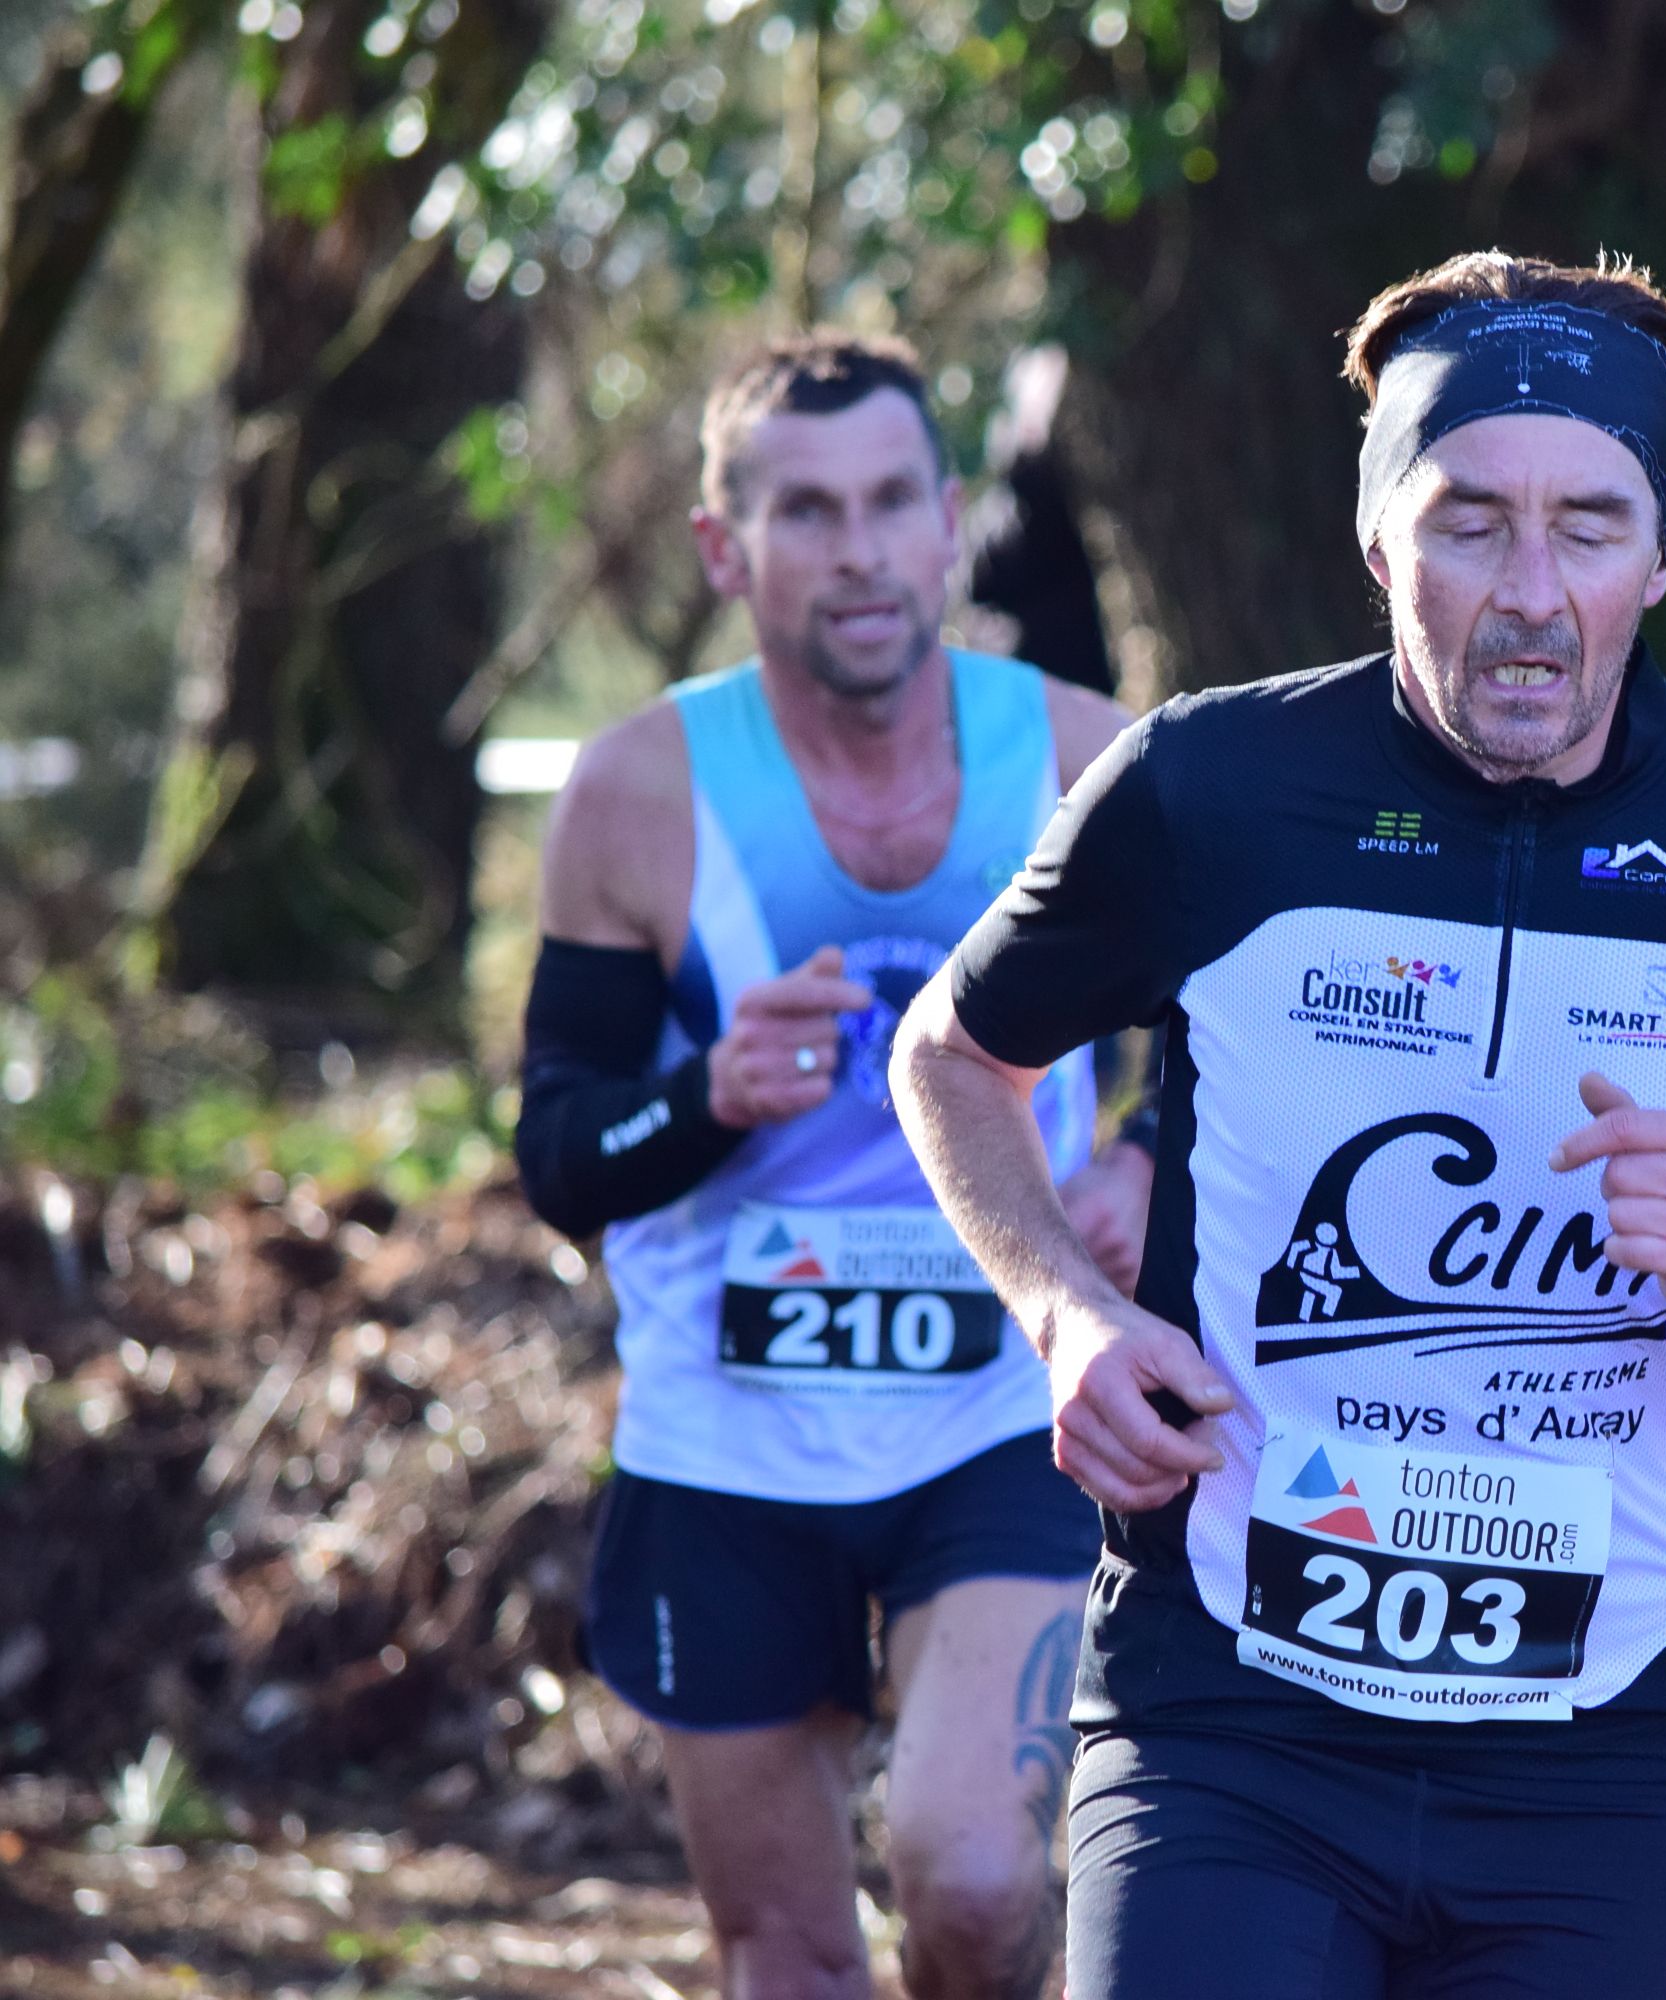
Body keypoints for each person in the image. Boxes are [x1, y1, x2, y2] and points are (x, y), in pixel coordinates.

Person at [890, 249, 1666, 1998]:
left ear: (1660, 558)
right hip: (1229, 1712)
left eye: (1590, 527)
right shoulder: (1208, 789)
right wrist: (1065, 1315)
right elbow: (951, 1057)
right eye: (1470, 522)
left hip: (1594, 1748)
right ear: (1380, 539)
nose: (1532, 594)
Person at [511, 330, 1152, 2000]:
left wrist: (1149, 1156)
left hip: (1002, 1405)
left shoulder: (1087, 758)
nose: (857, 551)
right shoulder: (637, 793)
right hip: (728, 1437)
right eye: (805, 511)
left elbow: (1251, 1032)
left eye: (888, 503)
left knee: (979, 1880)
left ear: (948, 522)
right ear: (725, 549)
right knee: (786, 1958)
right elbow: (561, 1151)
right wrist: (708, 1097)